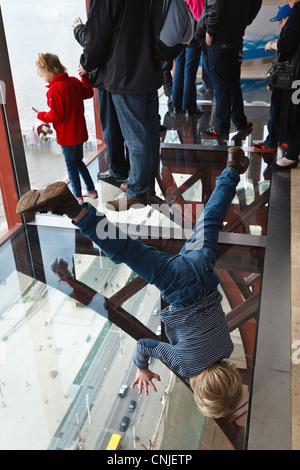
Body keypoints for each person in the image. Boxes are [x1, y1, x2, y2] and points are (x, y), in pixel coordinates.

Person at [16, 147, 249, 418]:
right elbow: (145, 345)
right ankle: (72, 209)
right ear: (198, 389)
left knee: (210, 218)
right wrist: (142, 368)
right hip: (175, 284)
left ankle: (232, 168)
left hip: (202, 269)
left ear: (231, 375)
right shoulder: (185, 366)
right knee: (125, 250)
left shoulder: (226, 347)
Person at [75, 0, 163, 211]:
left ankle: (137, 194)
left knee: (137, 139)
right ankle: (145, 185)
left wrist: (85, 64)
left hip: (126, 75)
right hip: (149, 68)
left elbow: (95, 38)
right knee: (149, 134)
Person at [72, 17, 130, 186]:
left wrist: (78, 29)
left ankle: (118, 171)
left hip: (108, 78)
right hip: (124, 75)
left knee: (110, 125)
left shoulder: (105, 7)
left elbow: (94, 43)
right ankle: (131, 168)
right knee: (126, 126)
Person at [34, 53, 97, 204]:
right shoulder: (74, 81)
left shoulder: (53, 90)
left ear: (48, 72)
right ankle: (91, 190)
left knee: (71, 166)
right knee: (79, 162)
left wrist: (41, 115)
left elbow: (56, 116)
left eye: (42, 76)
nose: (43, 79)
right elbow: (88, 93)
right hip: (80, 133)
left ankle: (77, 197)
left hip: (67, 138)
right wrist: (85, 77)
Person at [196, 0, 262, 138]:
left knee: (221, 85)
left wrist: (210, 30)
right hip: (236, 36)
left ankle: (221, 126)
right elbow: (255, 4)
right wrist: (243, 20)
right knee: (233, 82)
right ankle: (241, 122)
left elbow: (216, 5)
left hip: (219, 37)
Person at [253, 4, 291, 153]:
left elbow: (279, 61)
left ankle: (271, 142)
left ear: (287, 19)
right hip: (291, 80)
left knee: (275, 110)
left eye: (280, 21)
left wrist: (272, 44)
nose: (279, 25)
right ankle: (285, 139)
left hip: (284, 79)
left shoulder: (288, 34)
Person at [270, 0, 300, 170]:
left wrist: (272, 45)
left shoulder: (298, 8)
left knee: (296, 112)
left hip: (297, 76)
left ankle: (292, 155)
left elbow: (287, 43)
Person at [172, 0, 204, 115]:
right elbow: (199, 15)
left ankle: (176, 106)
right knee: (189, 71)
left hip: (177, 33)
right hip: (192, 36)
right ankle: (189, 107)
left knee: (179, 69)